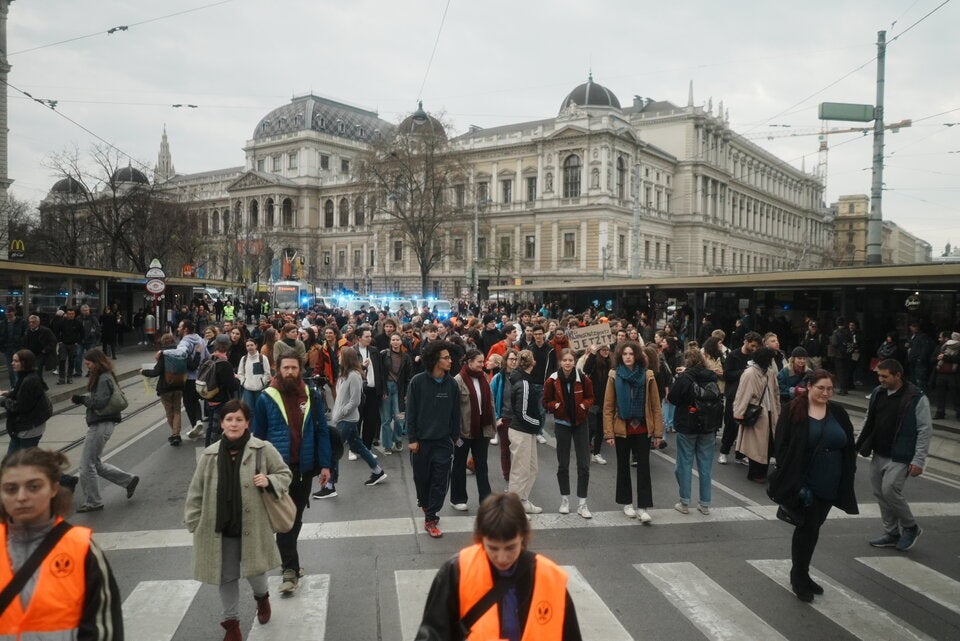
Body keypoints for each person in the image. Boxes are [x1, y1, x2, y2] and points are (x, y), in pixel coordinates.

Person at [185, 399, 291, 640]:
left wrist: (270, 481)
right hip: (219, 527)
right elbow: (196, 490)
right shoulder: (209, 455)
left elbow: (285, 474)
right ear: (222, 423)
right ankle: (231, 625)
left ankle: (262, 598)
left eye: (239, 419)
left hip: (252, 526)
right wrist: (193, 521)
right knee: (226, 576)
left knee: (255, 572)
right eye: (229, 419)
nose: (234, 424)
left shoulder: (262, 449)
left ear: (247, 423)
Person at [415, 492, 582, 641]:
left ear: (523, 538)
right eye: (493, 548)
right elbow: (433, 632)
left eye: (510, 547)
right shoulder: (457, 571)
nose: (502, 558)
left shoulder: (550, 578)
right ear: (480, 540)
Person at [0, 448, 124, 639]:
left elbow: (103, 631)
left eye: (34, 487)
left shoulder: (81, 549)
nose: (21, 497)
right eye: (11, 489)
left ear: (54, 489)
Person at [768, 369, 858, 602]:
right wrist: (796, 483)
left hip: (832, 481)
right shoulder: (793, 410)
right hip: (805, 482)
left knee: (814, 528)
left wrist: (849, 473)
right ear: (809, 386)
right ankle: (799, 576)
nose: (826, 393)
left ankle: (802, 573)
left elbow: (848, 445)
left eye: (829, 389)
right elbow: (782, 447)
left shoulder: (837, 411)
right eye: (821, 388)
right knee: (806, 529)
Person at [252, 353, 332, 594]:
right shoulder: (266, 397)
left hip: (303, 468)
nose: (289, 372)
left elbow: (321, 431)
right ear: (278, 369)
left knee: (294, 520)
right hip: (277, 472)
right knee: (286, 521)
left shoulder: (310, 395)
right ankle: (289, 569)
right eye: (285, 368)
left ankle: (292, 566)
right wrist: (259, 470)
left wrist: (326, 465)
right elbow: (257, 437)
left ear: (300, 370)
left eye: (293, 368)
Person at [855, 358, 932, 552]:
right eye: (879, 375)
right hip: (878, 451)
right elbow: (868, 418)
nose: (880, 379)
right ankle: (891, 532)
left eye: (884, 376)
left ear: (898, 375)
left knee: (890, 490)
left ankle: (911, 527)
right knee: (880, 493)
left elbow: (925, 429)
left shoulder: (916, 397)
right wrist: (858, 443)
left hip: (901, 455)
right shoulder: (878, 393)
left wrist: (919, 460)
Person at [70, 348, 139, 513]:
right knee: (95, 463)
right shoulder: (105, 375)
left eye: (88, 364)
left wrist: (82, 399)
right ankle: (128, 481)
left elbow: (99, 403)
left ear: (96, 362)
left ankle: (93, 502)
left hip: (101, 424)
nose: (87, 367)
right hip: (104, 424)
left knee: (86, 465)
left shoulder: (102, 378)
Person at [603, 340, 664, 523]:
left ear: (636, 355)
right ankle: (626, 503)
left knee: (644, 468)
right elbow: (608, 406)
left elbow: (655, 405)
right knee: (623, 466)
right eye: (625, 354)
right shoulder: (614, 375)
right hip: (622, 428)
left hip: (643, 428)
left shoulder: (648, 375)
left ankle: (643, 507)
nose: (628, 357)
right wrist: (609, 433)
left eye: (631, 354)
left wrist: (658, 433)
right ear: (620, 356)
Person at [313, 348, 386, 499]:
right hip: (345, 418)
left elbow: (355, 400)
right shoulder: (344, 375)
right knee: (358, 446)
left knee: (335, 449)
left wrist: (341, 413)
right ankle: (378, 471)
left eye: (341, 356)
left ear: (346, 358)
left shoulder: (354, 376)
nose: (338, 358)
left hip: (347, 419)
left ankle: (330, 485)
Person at [406, 340, 461, 538]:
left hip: (443, 442)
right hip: (420, 442)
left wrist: (454, 438)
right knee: (422, 480)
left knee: (440, 480)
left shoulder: (452, 384)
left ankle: (431, 516)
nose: (450, 361)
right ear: (435, 360)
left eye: (450, 357)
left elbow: (456, 414)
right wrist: (412, 438)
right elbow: (410, 412)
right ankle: (426, 504)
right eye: (446, 358)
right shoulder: (418, 382)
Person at [667, 348, 720, 515]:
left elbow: (673, 399)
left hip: (687, 423)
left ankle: (684, 502)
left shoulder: (685, 378)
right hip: (708, 426)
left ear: (687, 361)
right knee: (705, 466)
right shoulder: (711, 376)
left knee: (684, 464)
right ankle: (704, 504)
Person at [543, 348, 595, 518]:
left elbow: (590, 397)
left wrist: (583, 406)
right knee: (563, 463)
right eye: (564, 360)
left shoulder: (583, 378)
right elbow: (545, 401)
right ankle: (564, 500)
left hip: (581, 423)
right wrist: (555, 406)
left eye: (570, 360)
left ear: (574, 361)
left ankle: (582, 503)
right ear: (560, 362)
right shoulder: (552, 380)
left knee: (584, 464)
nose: (567, 363)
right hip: (562, 424)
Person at [451, 349, 495, 512]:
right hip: (464, 431)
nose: (482, 364)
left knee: (481, 464)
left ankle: (486, 499)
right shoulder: (458, 380)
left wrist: (492, 424)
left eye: (483, 361)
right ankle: (457, 499)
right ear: (469, 362)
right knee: (459, 464)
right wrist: (454, 432)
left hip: (482, 429)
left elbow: (489, 401)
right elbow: (453, 409)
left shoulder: (483, 377)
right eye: (479, 361)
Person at [732, 346, 781, 483]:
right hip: (757, 413)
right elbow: (743, 394)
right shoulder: (749, 373)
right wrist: (739, 413)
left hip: (770, 412)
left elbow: (776, 393)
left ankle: (761, 472)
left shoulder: (770, 373)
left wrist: (777, 410)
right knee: (757, 445)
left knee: (768, 444)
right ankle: (755, 473)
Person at [509, 350, 544, 515]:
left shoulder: (522, 380)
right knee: (520, 471)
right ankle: (515, 509)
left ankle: (523, 500)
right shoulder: (523, 383)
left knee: (531, 468)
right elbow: (522, 413)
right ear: (533, 363)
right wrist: (537, 424)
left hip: (525, 430)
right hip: (521, 430)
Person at [719, 332, 761, 464]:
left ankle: (741, 454)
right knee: (731, 424)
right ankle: (724, 452)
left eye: (756, 347)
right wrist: (745, 371)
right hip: (734, 394)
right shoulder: (733, 355)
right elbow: (727, 375)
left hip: (749, 395)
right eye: (753, 345)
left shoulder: (755, 356)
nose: (754, 349)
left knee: (745, 426)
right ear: (746, 341)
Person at [0, 349, 52, 454]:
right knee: (14, 462)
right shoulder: (26, 376)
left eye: (16, 361)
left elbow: (20, 407)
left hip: (28, 428)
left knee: (23, 462)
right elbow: (22, 395)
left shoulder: (29, 380)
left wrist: (3, 401)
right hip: (23, 427)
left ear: (24, 363)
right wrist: (9, 393)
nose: (12, 363)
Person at [141, 334, 187, 446]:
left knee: (169, 412)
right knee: (177, 411)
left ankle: (175, 434)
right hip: (179, 386)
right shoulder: (181, 352)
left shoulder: (163, 354)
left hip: (165, 388)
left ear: (163, 343)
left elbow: (155, 372)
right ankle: (176, 434)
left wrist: (143, 371)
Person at [166, 319, 209, 440]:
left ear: (185, 329)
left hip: (189, 377)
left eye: (180, 327)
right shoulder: (200, 339)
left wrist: (163, 352)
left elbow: (180, 353)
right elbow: (206, 356)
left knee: (188, 402)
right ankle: (198, 421)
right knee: (195, 400)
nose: (178, 329)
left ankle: (195, 424)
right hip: (200, 376)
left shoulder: (184, 342)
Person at [380, 332, 413, 454]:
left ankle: (397, 439)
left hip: (400, 389)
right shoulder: (384, 354)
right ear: (390, 341)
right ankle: (387, 445)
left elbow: (409, 376)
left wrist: (407, 393)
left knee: (399, 419)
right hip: (387, 388)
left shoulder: (406, 357)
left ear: (401, 341)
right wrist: (382, 390)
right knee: (386, 419)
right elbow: (380, 374)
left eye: (397, 339)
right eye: (393, 339)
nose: (395, 342)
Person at [490, 348, 518, 485]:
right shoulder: (498, 378)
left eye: (516, 359)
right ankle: (508, 478)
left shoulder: (521, 376)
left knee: (519, 452)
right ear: (505, 361)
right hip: (505, 418)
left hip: (519, 420)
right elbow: (490, 399)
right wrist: (496, 418)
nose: (513, 362)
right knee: (505, 450)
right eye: (511, 359)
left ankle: (518, 478)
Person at [583, 343, 612, 465]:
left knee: (601, 428)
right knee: (592, 427)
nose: (605, 352)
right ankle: (586, 450)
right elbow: (586, 369)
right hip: (593, 399)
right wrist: (592, 354)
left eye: (607, 350)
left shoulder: (611, 363)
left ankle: (596, 452)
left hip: (605, 400)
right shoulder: (594, 361)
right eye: (603, 349)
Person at [237, 338, 272, 412]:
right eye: (247, 346)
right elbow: (240, 373)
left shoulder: (263, 358)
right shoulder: (243, 359)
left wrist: (262, 382)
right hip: (247, 390)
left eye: (251, 345)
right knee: (249, 411)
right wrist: (244, 382)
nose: (250, 347)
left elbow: (267, 373)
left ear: (256, 345)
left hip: (260, 389)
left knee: (260, 410)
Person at [23, 315, 57, 384]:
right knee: (31, 372)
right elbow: (24, 342)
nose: (31, 324)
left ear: (38, 322)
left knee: (37, 372)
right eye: (30, 322)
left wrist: (45, 350)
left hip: (40, 355)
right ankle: (42, 386)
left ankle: (39, 388)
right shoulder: (27, 331)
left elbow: (53, 341)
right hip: (30, 355)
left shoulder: (45, 330)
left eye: (33, 322)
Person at [0, 308, 26, 388]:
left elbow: (25, 334)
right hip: (8, 348)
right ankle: (14, 387)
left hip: (18, 348)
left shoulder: (21, 322)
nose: (8, 314)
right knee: (11, 370)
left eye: (9, 312)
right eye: (7, 312)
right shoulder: (3, 323)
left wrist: (21, 343)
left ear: (14, 312)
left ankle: (19, 386)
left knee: (19, 368)